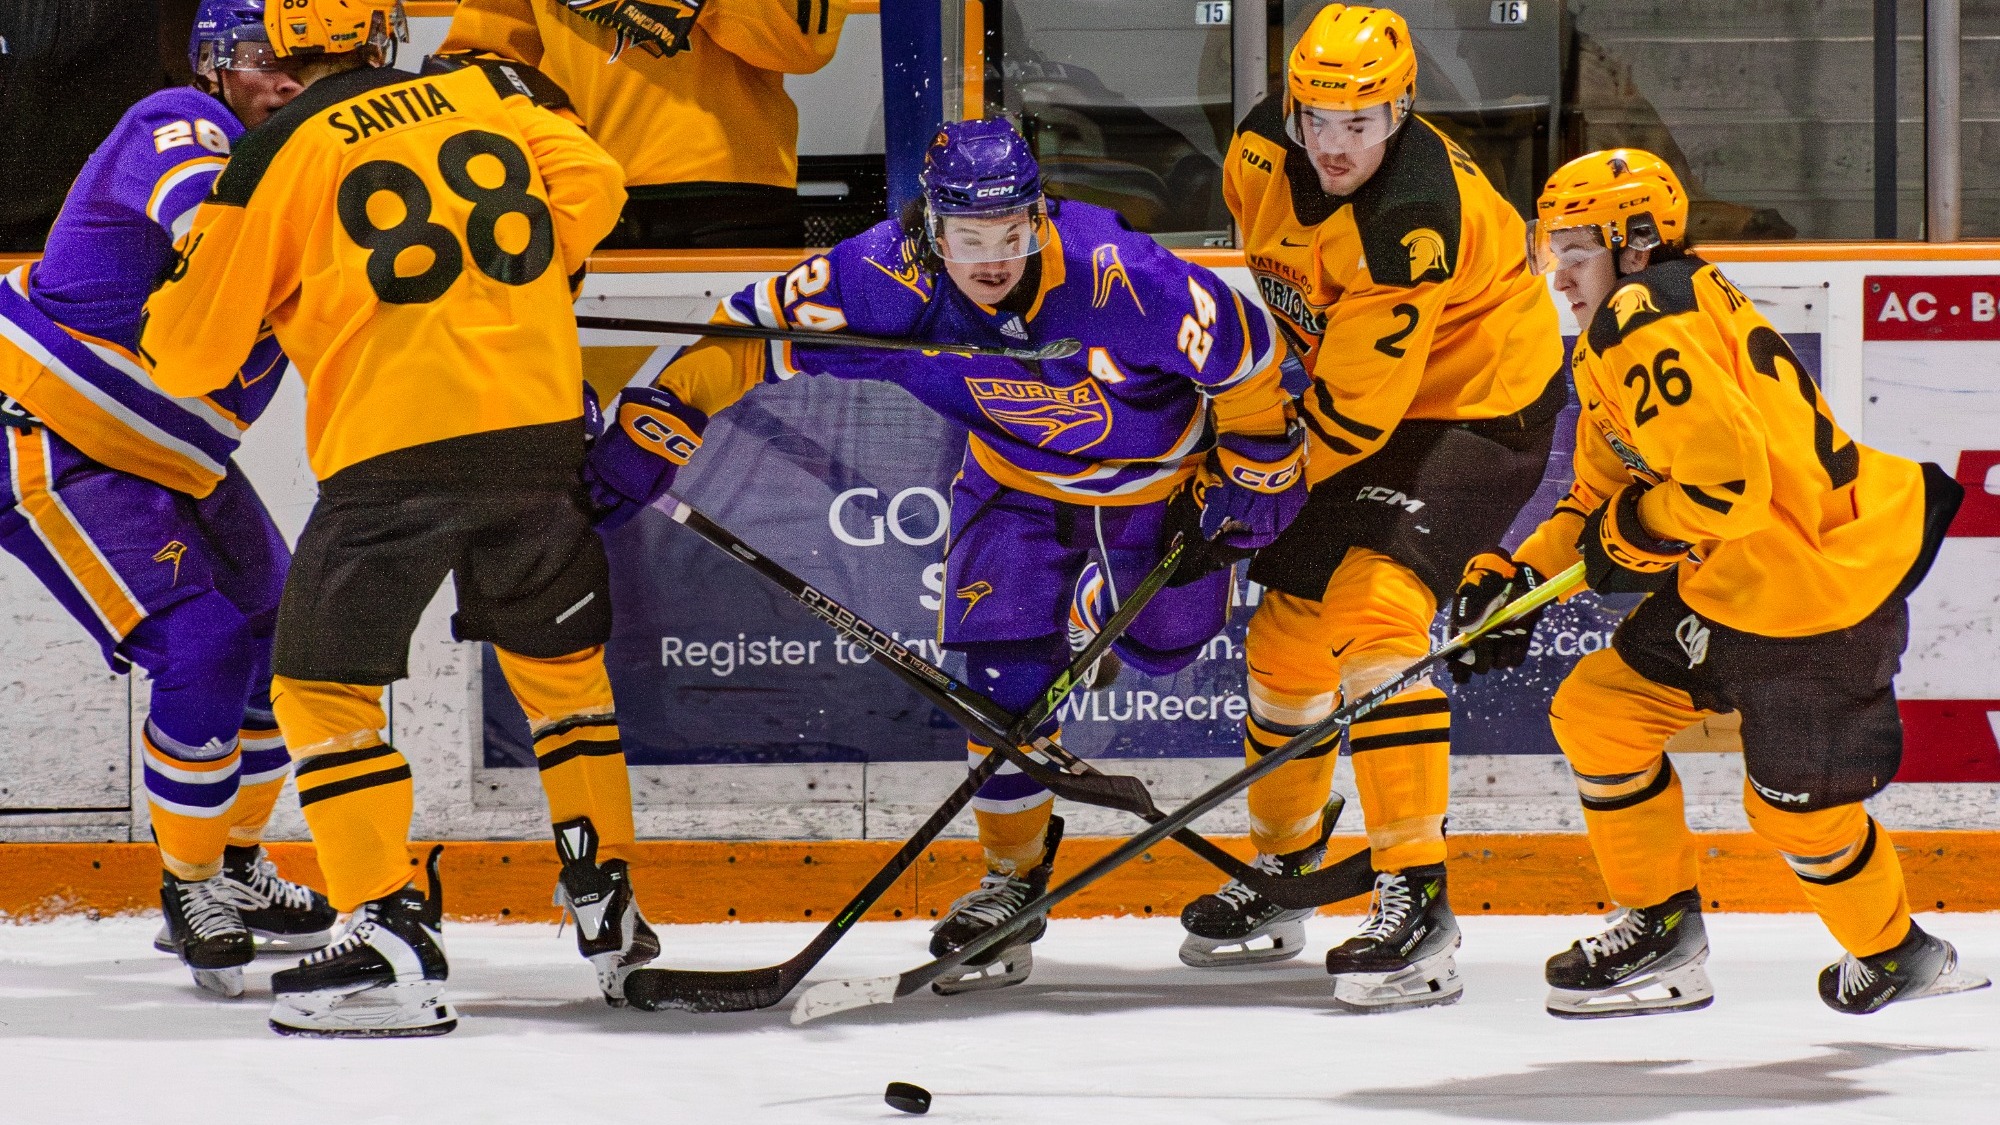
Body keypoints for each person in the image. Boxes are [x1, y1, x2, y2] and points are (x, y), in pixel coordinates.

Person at [587, 118, 1303, 994]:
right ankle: (1012, 882)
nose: (994, 258)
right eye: (970, 238)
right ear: (932, 227)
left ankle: (1092, 621)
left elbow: (1247, 348)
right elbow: (746, 333)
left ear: (1036, 216)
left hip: (1153, 485)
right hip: (1012, 482)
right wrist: (663, 417)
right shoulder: (878, 275)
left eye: (1011, 233)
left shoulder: (1117, 274)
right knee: (996, 682)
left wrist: (1260, 457)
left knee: (1165, 651)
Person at [141, 0, 656, 1036]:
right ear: (380, 32)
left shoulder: (275, 153)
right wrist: (520, 279)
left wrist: (254, 298)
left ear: (281, 49)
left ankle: (380, 936)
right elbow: (597, 183)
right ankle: (608, 903)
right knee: (562, 681)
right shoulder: (491, 90)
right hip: (537, 430)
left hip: (396, 454)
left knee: (319, 691)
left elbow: (190, 355)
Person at [1451, 147, 1988, 1018]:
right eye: (1552, 250)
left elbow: (1723, 486)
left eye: (1575, 251)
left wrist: (1631, 536)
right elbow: (1602, 490)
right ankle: (1662, 929)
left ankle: (1897, 952)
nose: (1560, 275)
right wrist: (1515, 575)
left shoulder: (1640, 318)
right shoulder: (1633, 321)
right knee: (1603, 709)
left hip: (1816, 594)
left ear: (1633, 246)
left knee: (1796, 817)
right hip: (1737, 580)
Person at [1188, 2, 1564, 1012]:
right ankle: (1284, 873)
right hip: (1356, 397)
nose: (1334, 141)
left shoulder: (1409, 220)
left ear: (1399, 109)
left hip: (1476, 411)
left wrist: (1232, 490)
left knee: (1373, 610)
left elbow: (1349, 427)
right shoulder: (1261, 148)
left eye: (1360, 121)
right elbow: (1291, 309)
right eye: (1318, 116)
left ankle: (1413, 895)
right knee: (1281, 645)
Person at [0, 0, 339, 998]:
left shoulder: (315, 181)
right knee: (203, 648)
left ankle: (233, 863)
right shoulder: (179, 124)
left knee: (287, 640)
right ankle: (187, 885)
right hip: (52, 442)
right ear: (215, 66)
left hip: (178, 465)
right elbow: (213, 225)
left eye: (306, 62)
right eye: (267, 60)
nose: (287, 80)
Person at [434, 0, 848, 247]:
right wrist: (560, 134)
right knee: (587, 391)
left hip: (733, 198)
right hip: (580, 201)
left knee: (736, 388)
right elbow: (480, 57)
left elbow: (806, 40)